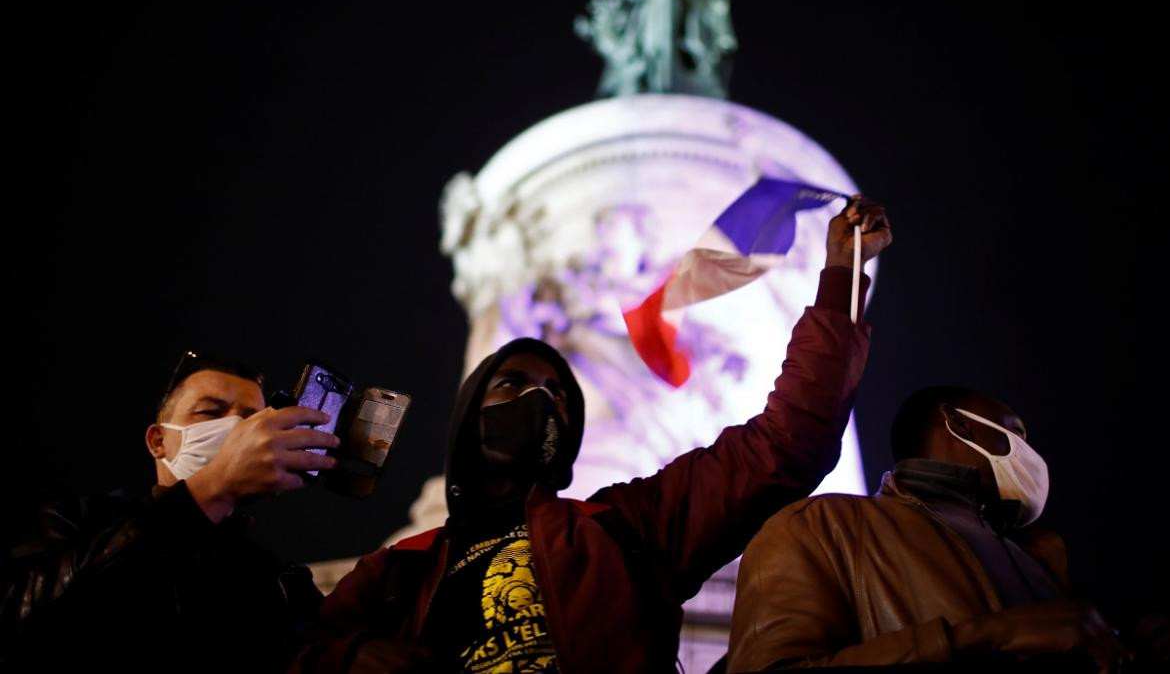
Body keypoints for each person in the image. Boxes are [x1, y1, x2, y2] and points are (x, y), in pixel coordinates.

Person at [293, 198, 893, 674]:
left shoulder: (628, 527)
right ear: (469, 416)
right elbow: (294, 656)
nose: (538, 399)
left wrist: (841, 276)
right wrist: (351, 657)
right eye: (511, 384)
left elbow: (786, 441)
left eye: (557, 393)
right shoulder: (396, 570)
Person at [726, 385, 1129, 672]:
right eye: (1016, 433)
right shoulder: (822, 527)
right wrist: (985, 636)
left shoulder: (1039, 554)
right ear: (957, 423)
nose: (1029, 453)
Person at [0, 350, 340, 671]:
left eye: (251, 420)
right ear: (158, 441)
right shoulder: (78, 520)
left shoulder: (269, 573)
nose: (235, 429)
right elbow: (23, 623)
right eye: (210, 412)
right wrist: (210, 489)